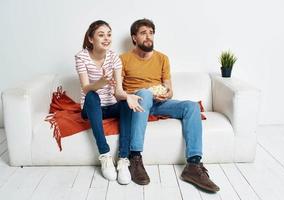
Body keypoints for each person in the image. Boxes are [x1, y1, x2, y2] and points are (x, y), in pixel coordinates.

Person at [120, 19, 220, 192]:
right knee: (144, 93)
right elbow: (119, 90)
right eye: (143, 33)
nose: (148, 36)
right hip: (137, 103)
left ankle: (193, 165)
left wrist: (166, 93)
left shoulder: (162, 59)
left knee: (191, 106)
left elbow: (170, 89)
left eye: (151, 32)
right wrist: (138, 93)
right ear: (134, 38)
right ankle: (135, 158)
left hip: (159, 103)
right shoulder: (123, 59)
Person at [75, 20, 144, 185]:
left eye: (109, 34)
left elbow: (118, 91)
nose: (106, 38)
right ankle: (105, 155)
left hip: (111, 105)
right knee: (92, 95)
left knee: (126, 103)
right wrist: (100, 83)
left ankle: (123, 159)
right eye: (101, 35)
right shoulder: (81, 57)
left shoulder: (114, 58)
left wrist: (127, 96)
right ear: (91, 39)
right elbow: (85, 88)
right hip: (92, 107)